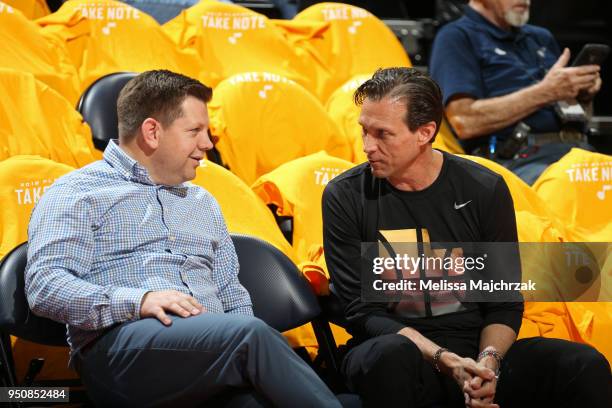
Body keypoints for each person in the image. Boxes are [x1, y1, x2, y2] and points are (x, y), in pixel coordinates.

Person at [25, 70, 342, 407]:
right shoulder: (77, 193)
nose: (208, 143)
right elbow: (45, 286)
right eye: (194, 131)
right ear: (152, 132)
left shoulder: (203, 202)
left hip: (214, 352)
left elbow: (231, 293)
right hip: (122, 351)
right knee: (250, 336)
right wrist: (139, 300)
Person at [322, 67, 611, 407]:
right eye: (364, 132)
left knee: (582, 364)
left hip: (474, 350)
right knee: (390, 356)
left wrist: (487, 364)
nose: (368, 146)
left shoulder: (483, 189)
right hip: (398, 349)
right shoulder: (345, 196)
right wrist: (445, 360)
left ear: (425, 132)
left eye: (383, 134)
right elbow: (361, 313)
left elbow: (503, 303)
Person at [429, 0, 602, 184]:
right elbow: (464, 121)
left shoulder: (541, 37)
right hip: (516, 160)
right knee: (571, 186)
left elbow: (570, 108)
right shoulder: (456, 37)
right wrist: (546, 92)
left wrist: (583, 93)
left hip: (577, 151)